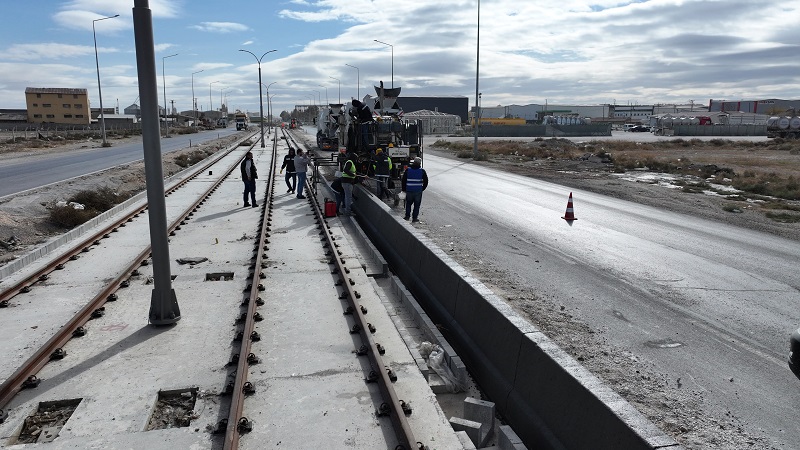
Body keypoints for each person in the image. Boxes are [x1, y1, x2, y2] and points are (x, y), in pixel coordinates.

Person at [401, 157, 428, 222]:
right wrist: (422, 188)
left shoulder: (408, 170)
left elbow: (403, 180)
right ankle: (414, 218)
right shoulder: (422, 171)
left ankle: (407, 216)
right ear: (420, 163)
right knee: (417, 205)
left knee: (408, 203)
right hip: (418, 191)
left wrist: (404, 189)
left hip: (409, 190)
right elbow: (426, 181)